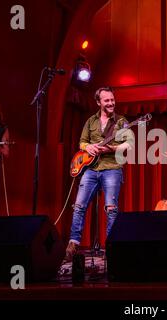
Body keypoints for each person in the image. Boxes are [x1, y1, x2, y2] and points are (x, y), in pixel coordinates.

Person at [65, 86, 134, 262]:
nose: (111, 103)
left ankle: (110, 247)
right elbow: (82, 142)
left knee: (111, 209)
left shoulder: (121, 121)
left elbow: (130, 144)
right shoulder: (91, 121)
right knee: (79, 206)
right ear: (98, 102)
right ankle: (73, 245)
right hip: (90, 169)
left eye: (112, 99)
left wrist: (113, 148)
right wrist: (88, 147)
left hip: (112, 167)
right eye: (107, 100)